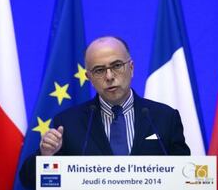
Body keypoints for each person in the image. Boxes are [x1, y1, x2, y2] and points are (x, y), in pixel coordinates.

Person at [19, 36, 190, 188]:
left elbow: (185, 176)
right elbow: (28, 181)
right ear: (89, 78)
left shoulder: (165, 117)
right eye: (99, 70)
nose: (109, 76)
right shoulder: (68, 123)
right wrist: (46, 156)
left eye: (116, 66)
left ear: (131, 68)